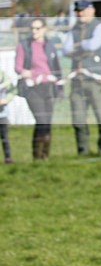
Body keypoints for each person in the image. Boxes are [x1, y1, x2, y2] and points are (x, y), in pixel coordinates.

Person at [62, 0, 101, 156]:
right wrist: (81, 46)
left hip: (96, 81)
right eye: (78, 11)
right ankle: (82, 152)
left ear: (92, 10)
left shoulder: (100, 27)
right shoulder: (73, 29)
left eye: (83, 10)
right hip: (78, 82)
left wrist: (78, 46)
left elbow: (93, 45)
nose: (80, 14)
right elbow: (65, 49)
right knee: (78, 119)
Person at [15, 18, 62, 161]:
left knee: (47, 121)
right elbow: (18, 67)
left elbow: (56, 67)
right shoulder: (24, 45)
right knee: (41, 119)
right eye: (32, 28)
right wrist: (31, 73)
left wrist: (59, 86)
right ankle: (37, 156)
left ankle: (45, 156)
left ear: (44, 29)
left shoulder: (49, 46)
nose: (34, 31)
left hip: (48, 87)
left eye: (37, 28)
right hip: (33, 88)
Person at [0, 68, 14, 164]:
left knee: (5, 136)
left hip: (2, 113)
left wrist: (6, 100)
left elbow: (12, 90)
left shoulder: (3, 75)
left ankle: (8, 157)